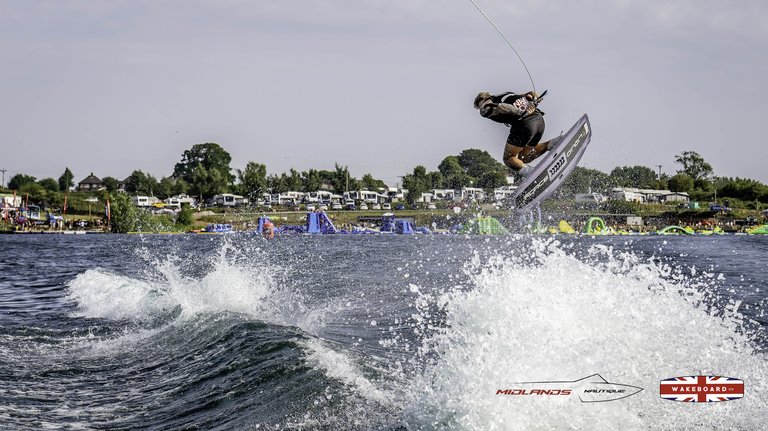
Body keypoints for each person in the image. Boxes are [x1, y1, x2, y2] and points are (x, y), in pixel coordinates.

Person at [474, 90, 561, 178]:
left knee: (508, 158)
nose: (480, 109)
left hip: (524, 125)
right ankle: (553, 143)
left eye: (478, 107)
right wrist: (533, 100)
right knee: (524, 157)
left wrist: (520, 113)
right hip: (539, 121)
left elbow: (502, 107)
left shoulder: (487, 104)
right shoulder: (507, 94)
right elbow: (532, 94)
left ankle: (532, 173)